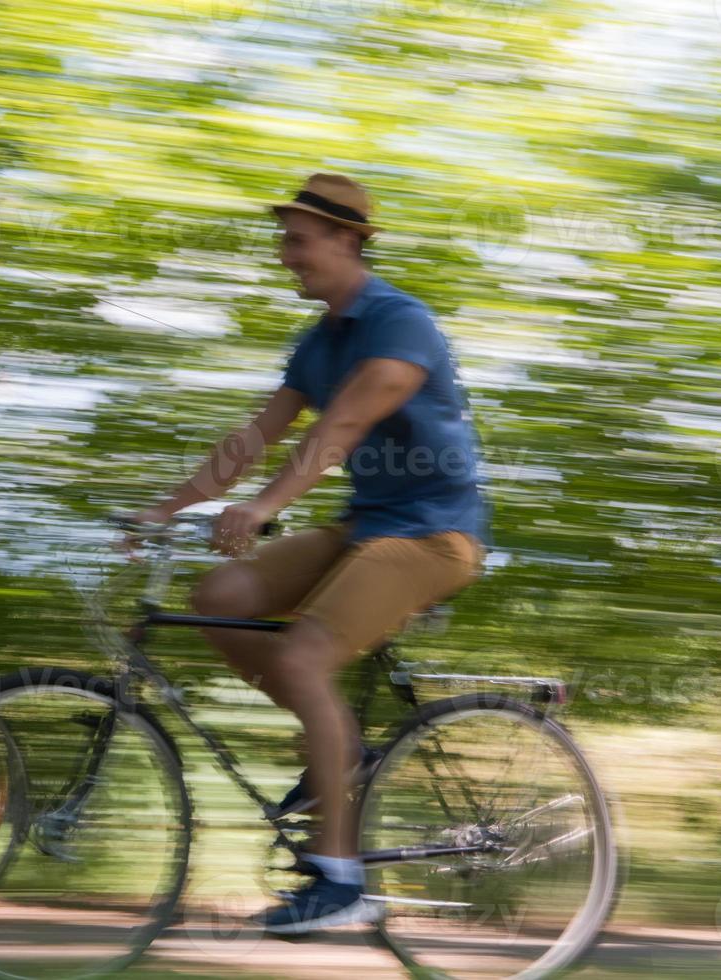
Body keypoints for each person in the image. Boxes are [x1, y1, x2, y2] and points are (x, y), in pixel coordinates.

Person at [128, 174, 489, 935]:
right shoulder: (317, 342)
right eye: (282, 237)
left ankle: (342, 879)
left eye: (297, 238)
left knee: (299, 659)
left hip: (433, 534)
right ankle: (343, 750)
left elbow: (340, 431)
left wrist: (263, 508)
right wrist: (164, 508)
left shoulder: (400, 324)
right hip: (366, 527)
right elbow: (255, 438)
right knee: (217, 597)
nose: (283, 253)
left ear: (346, 241)